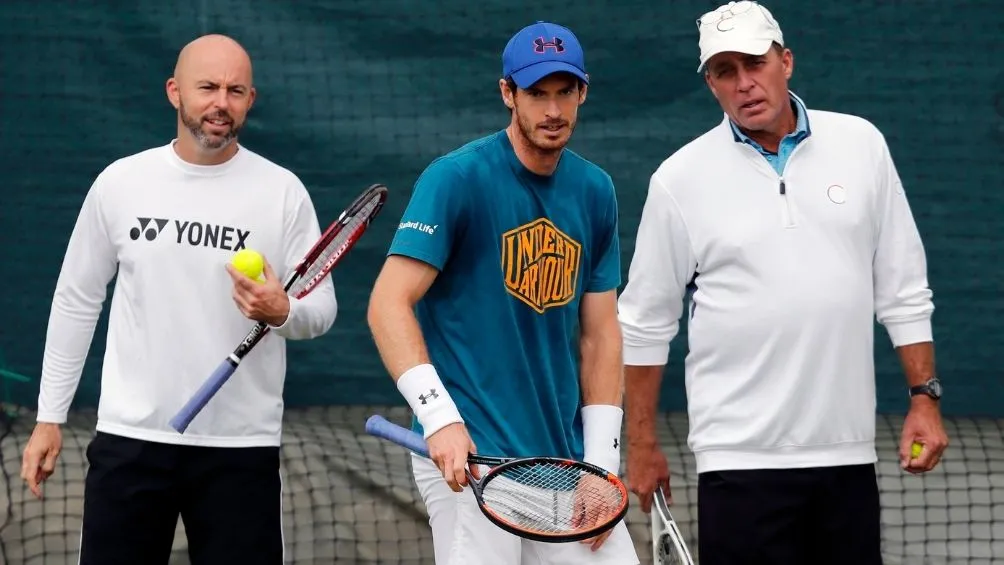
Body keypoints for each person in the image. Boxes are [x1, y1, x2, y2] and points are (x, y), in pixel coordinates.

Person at [616, 2, 949, 564]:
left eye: (755, 63)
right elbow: (646, 323)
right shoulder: (678, 180)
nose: (744, 83)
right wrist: (642, 444)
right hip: (737, 461)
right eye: (725, 71)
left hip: (846, 456)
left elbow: (903, 287)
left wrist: (924, 398)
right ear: (711, 85)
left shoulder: (862, 145)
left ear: (785, 61)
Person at [19, 34, 337, 565]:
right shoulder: (121, 183)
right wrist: (49, 417)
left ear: (251, 100)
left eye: (236, 91)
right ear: (174, 92)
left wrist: (282, 312)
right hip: (130, 442)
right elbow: (77, 299)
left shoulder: (282, 192)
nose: (221, 103)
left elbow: (321, 310)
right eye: (207, 87)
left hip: (240, 449)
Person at [367, 20, 639, 565]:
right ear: (507, 93)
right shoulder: (456, 179)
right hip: (475, 462)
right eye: (537, 93)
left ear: (583, 92)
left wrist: (601, 464)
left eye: (566, 93)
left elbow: (601, 334)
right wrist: (440, 417)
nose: (553, 111)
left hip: (563, 465)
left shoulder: (595, 190)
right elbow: (386, 304)